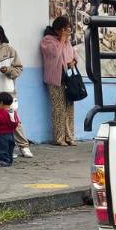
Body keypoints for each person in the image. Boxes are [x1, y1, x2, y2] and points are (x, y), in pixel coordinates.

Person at [0, 25, 30, 159]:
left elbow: (18, 69)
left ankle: (24, 146)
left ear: (1, 35)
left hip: (7, 94)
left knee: (13, 121)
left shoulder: (10, 51)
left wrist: (8, 71)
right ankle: (0, 149)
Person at [39, 16, 76, 146]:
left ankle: (69, 136)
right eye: (65, 29)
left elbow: (72, 55)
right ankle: (59, 138)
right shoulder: (47, 41)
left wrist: (73, 61)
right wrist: (62, 40)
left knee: (69, 108)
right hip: (55, 80)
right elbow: (55, 55)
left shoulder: (66, 41)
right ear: (58, 29)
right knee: (58, 109)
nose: (67, 31)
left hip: (69, 79)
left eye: (68, 29)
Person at [0, 92, 19, 167]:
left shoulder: (1, 112)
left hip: (1, 134)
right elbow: (16, 122)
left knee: (2, 149)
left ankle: (3, 161)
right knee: (9, 149)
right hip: (11, 134)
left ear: (1, 103)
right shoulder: (12, 111)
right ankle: (9, 160)